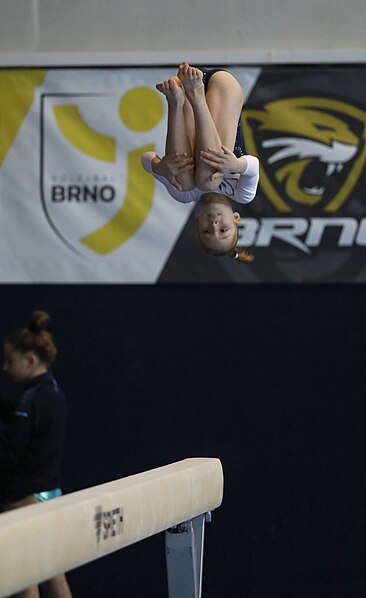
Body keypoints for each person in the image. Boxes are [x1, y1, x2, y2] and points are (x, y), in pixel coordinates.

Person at [141, 61, 259, 261]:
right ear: (236, 219)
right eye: (224, 230)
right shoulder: (241, 194)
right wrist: (236, 165)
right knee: (208, 181)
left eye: (206, 231)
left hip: (183, 87)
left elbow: (145, 160)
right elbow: (254, 166)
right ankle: (196, 96)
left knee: (185, 183)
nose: (214, 225)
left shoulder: (186, 195)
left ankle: (175, 103)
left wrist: (160, 167)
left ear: (197, 221)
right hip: (224, 88)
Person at [0, 310, 72, 598]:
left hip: (27, 500)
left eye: (9, 361)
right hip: (51, 494)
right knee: (54, 575)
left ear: (30, 360)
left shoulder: (30, 401)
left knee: (24, 580)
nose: (5, 368)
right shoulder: (52, 390)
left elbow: (10, 453)